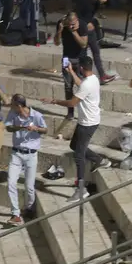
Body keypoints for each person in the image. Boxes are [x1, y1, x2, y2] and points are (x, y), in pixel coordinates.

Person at [42, 56, 111, 202]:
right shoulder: (94, 79)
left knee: (79, 155)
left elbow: (72, 103)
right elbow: (81, 84)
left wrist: (53, 101)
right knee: (74, 145)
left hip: (88, 123)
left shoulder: (87, 84)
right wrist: (71, 72)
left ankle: (81, 189)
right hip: (87, 121)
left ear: (81, 68)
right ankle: (100, 160)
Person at [4, 94, 47, 225]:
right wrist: (22, 127)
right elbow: (8, 127)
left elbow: (45, 130)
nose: (10, 106)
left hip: (31, 154)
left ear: (19, 105)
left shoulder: (36, 115)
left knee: (29, 186)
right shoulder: (13, 114)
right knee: (11, 182)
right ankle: (15, 214)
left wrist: (36, 129)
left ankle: (30, 208)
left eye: (12, 104)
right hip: (16, 153)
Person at [73, 0, 116, 85]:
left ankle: (102, 75)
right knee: (82, 53)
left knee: (96, 51)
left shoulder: (96, 2)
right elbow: (77, 15)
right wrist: (86, 23)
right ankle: (80, 74)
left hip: (90, 29)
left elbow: (91, 15)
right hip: (82, 29)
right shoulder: (85, 0)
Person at [54, 12, 89, 119]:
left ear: (77, 20)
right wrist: (60, 31)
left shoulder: (82, 25)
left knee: (83, 86)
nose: (70, 26)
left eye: (73, 24)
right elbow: (56, 43)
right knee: (68, 86)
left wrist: (74, 32)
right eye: (69, 24)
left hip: (80, 58)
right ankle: (70, 111)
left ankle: (84, 111)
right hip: (67, 58)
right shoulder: (61, 24)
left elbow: (83, 44)